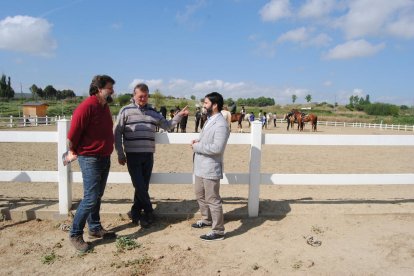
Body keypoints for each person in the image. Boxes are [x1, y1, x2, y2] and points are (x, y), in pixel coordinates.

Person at [114, 83, 188, 228]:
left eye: (145, 96)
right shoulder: (125, 111)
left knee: (143, 186)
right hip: (132, 154)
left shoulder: (153, 112)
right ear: (134, 95)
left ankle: (135, 213)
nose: (143, 98)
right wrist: (120, 153)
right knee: (139, 185)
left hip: (148, 154)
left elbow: (167, 125)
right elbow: (117, 133)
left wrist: (179, 115)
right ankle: (148, 211)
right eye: (140, 96)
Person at [67, 75, 117, 253]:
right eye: (110, 88)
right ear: (98, 89)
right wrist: (74, 151)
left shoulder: (104, 107)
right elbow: (72, 135)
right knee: (90, 197)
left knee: (97, 195)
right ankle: (75, 233)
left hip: (104, 157)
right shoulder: (86, 107)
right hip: (90, 158)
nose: (112, 91)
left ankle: (95, 227)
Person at [191, 92, 230, 241]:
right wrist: (198, 141)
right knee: (200, 195)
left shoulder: (221, 124)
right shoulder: (209, 119)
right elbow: (207, 140)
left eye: (206, 103)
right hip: (201, 166)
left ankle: (218, 231)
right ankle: (206, 220)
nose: (203, 106)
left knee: (213, 199)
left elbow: (217, 148)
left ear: (214, 105)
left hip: (210, 167)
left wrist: (197, 146)